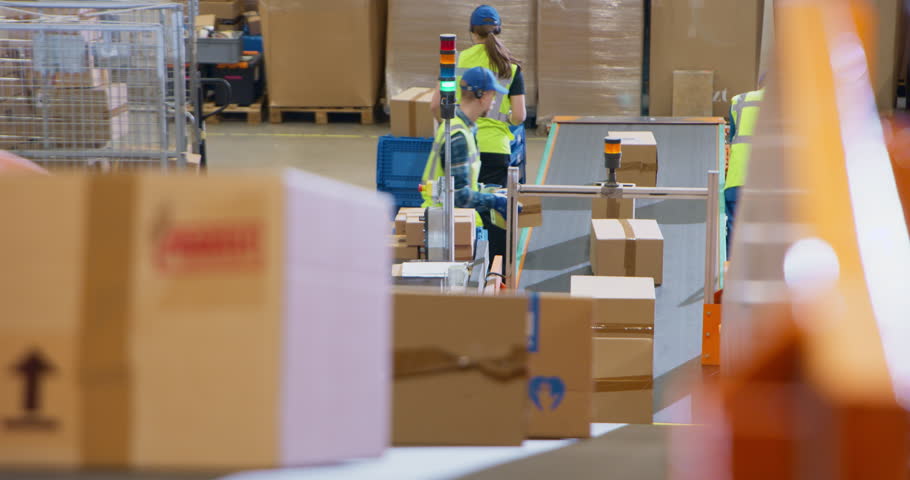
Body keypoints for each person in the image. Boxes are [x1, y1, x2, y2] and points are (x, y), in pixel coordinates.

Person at [431, 4, 526, 259]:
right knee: (495, 221)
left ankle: (474, 263)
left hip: (469, 144)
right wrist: (503, 118)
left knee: (467, 215)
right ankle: (496, 274)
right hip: (496, 148)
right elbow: (519, 116)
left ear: (472, 32)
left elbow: (435, 105)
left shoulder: (457, 60)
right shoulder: (511, 66)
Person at [420, 66, 513, 225]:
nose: (494, 101)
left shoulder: (461, 126)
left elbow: (459, 183)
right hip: (447, 225)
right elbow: (460, 196)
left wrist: (486, 190)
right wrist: (495, 201)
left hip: (448, 219)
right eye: (493, 95)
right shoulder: (459, 136)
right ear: (481, 96)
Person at [725, 80, 765, 257]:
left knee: (734, 232)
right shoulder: (789, 103)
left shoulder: (739, 101)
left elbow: (731, 137)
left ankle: (729, 276)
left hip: (737, 179)